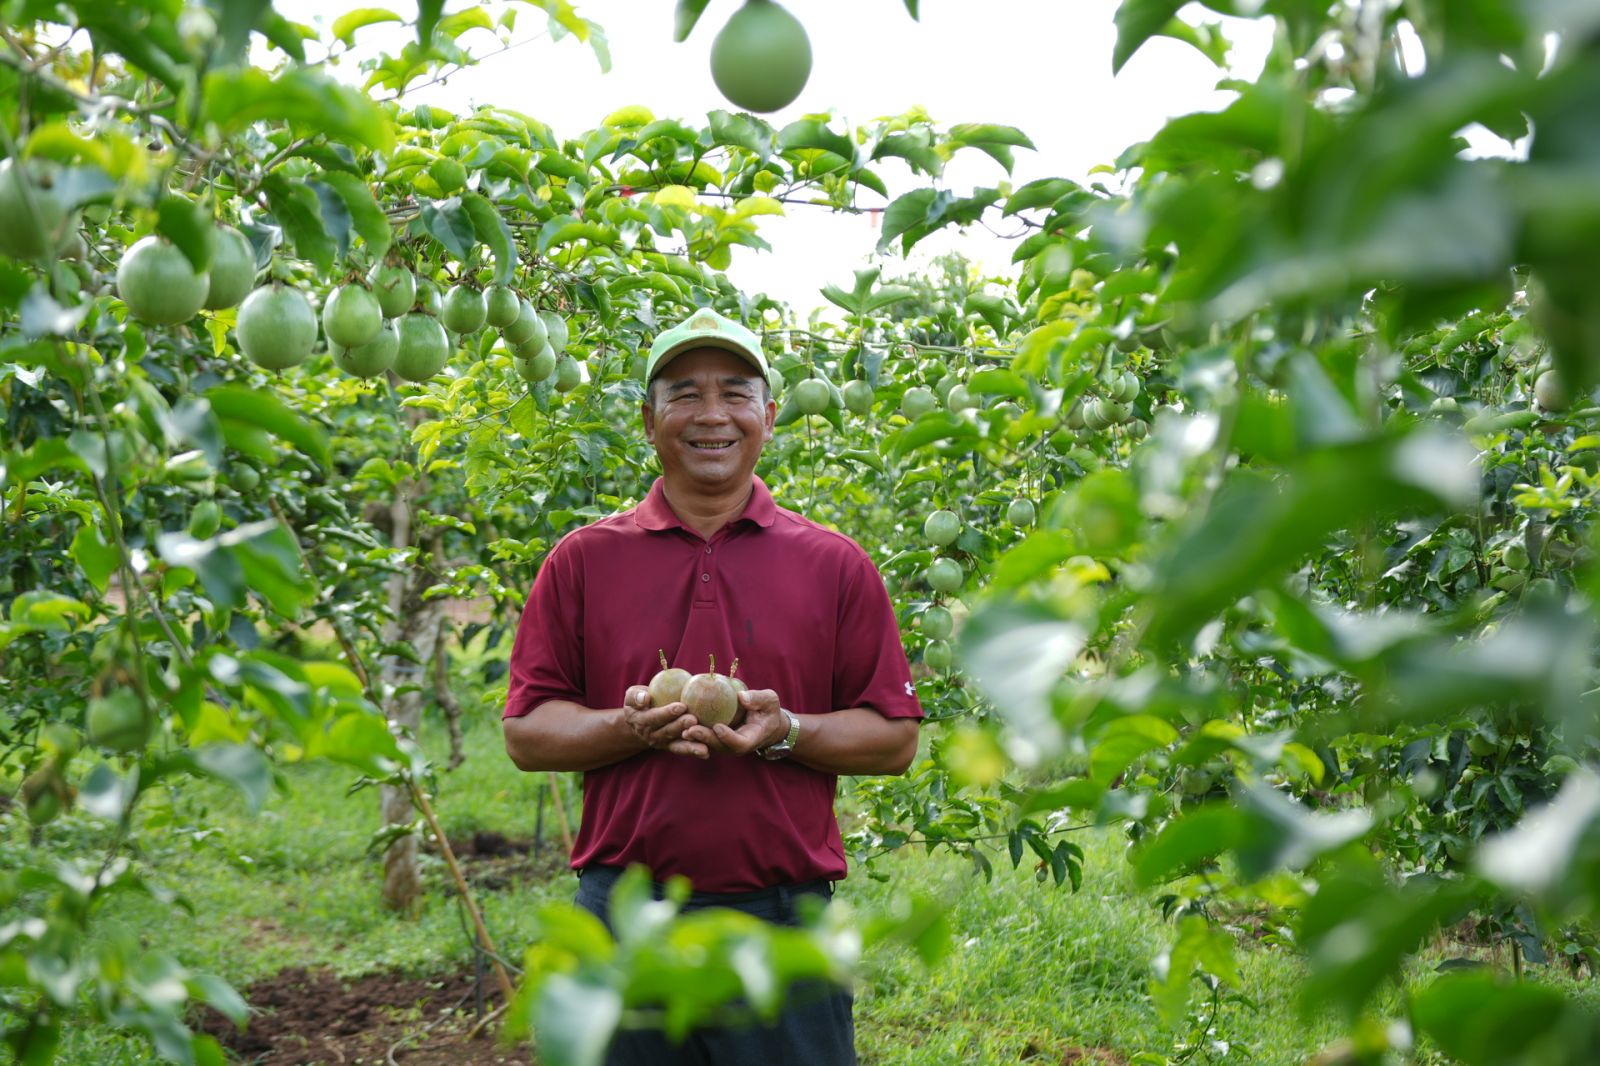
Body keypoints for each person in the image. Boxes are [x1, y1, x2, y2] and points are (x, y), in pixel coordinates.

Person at [502, 306, 923, 1065]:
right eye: (684, 394)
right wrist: (626, 729)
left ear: (768, 413)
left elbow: (894, 739)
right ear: (648, 418)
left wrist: (787, 730)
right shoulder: (584, 560)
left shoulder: (834, 565)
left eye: (734, 392)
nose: (711, 415)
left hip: (782, 921)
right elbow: (528, 734)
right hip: (622, 917)